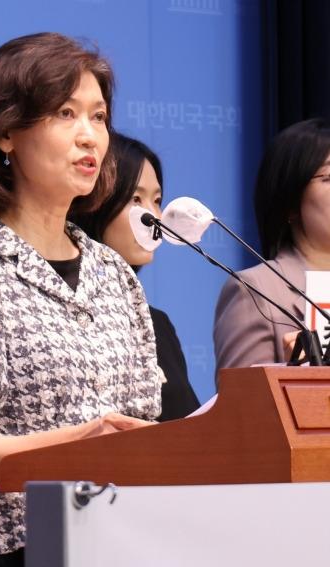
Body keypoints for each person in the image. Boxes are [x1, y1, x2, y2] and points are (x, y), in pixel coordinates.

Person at [0, 33, 162, 566]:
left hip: (109, 542)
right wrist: (78, 443)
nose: (90, 137)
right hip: (3, 547)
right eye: (66, 114)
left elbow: (141, 428)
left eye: (99, 117)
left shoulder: (115, 274)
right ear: (4, 133)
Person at [71, 132, 199, 421]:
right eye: (136, 199)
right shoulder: (69, 318)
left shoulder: (158, 324)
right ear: (95, 202)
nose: (153, 217)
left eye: (157, 200)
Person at [214, 118, 330, 377]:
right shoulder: (255, 290)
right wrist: (294, 377)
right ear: (290, 200)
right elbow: (243, 410)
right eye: (329, 177)